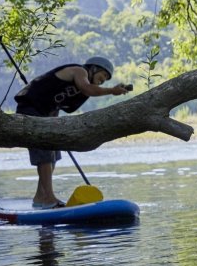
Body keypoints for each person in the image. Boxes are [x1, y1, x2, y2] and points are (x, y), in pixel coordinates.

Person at [14, 57, 130, 208]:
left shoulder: (85, 85)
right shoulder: (79, 71)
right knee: (45, 152)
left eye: (106, 79)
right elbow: (87, 89)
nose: (103, 80)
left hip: (45, 115)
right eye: (103, 75)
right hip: (29, 110)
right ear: (94, 68)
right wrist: (112, 91)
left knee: (53, 154)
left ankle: (40, 196)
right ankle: (48, 198)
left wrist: (54, 124)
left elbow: (57, 105)